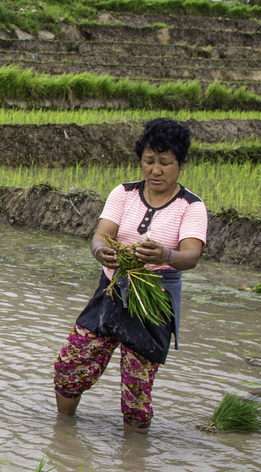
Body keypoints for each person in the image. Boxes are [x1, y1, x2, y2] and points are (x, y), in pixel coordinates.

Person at [51, 117, 208, 436]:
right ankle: (63, 432)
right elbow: (100, 236)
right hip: (109, 292)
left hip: (153, 301)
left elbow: (191, 256)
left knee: (136, 393)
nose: (156, 170)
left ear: (181, 163)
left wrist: (166, 256)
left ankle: (134, 463)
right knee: (70, 366)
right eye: (149, 161)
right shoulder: (123, 193)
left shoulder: (191, 206)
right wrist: (100, 252)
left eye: (165, 163)